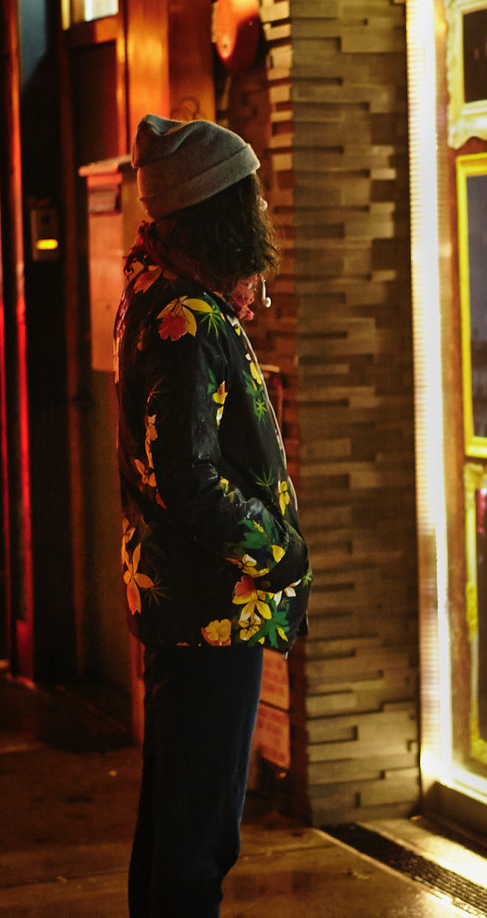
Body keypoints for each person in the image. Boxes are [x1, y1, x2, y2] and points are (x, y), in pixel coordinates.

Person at [116, 114, 311, 917]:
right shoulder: (187, 322)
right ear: (218, 212)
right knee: (198, 844)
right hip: (212, 611)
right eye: (250, 197)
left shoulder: (161, 296)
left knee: (173, 828)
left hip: (187, 606)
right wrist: (279, 552)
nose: (261, 210)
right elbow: (189, 479)